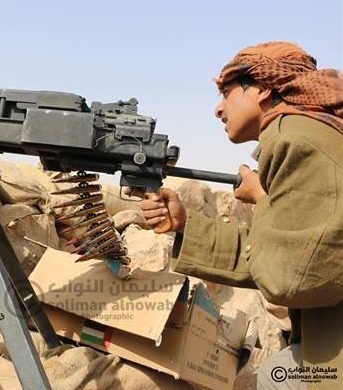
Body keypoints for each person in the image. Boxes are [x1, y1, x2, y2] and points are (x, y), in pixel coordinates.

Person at [136, 42, 343, 389]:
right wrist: (185, 224)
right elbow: (284, 250)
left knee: (278, 377)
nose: (218, 109)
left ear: (262, 89)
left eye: (226, 92)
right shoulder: (308, 131)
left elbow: (292, 276)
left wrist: (261, 197)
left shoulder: (294, 138)